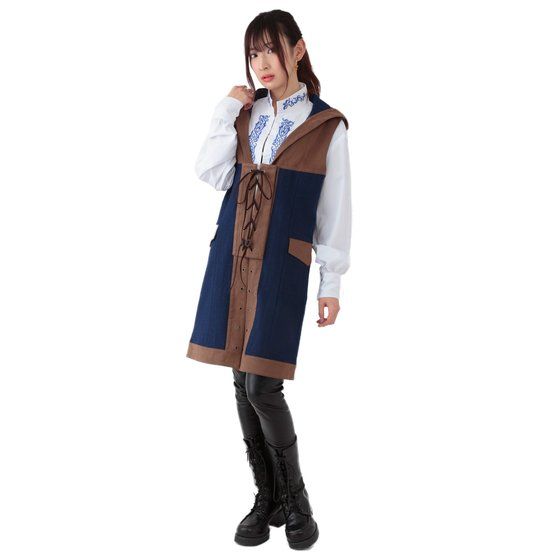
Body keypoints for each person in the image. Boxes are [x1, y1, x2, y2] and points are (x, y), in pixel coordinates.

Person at [187, 9, 351, 550]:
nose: (261, 62)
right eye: (253, 52)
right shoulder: (246, 114)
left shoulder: (326, 125)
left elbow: (334, 210)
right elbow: (212, 173)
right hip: (231, 258)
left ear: (297, 49)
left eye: (271, 49)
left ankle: (297, 501)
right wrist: (226, 108)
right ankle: (268, 498)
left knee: (263, 384)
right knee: (240, 381)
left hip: (281, 263)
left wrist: (331, 282)